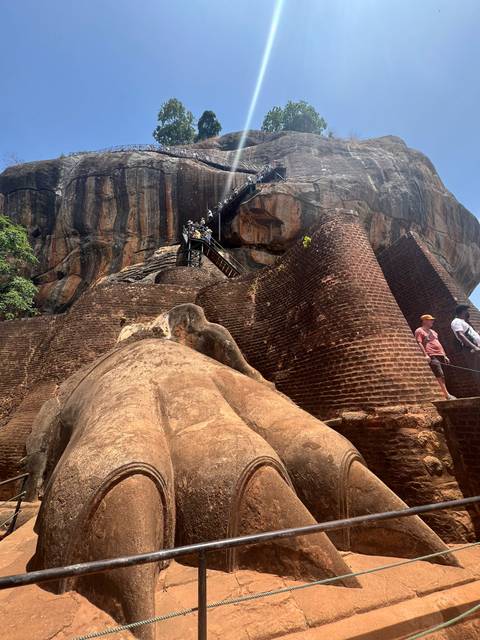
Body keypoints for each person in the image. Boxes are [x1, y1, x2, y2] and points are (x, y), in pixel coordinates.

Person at [414, 314, 455, 400]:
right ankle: (446, 394)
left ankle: (447, 393)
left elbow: (438, 342)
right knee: (439, 374)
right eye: (430, 320)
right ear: (424, 321)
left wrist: (445, 355)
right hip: (431, 355)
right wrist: (425, 355)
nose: (432, 321)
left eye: (432, 320)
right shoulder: (419, 330)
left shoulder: (433, 332)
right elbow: (419, 343)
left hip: (440, 355)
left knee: (443, 375)